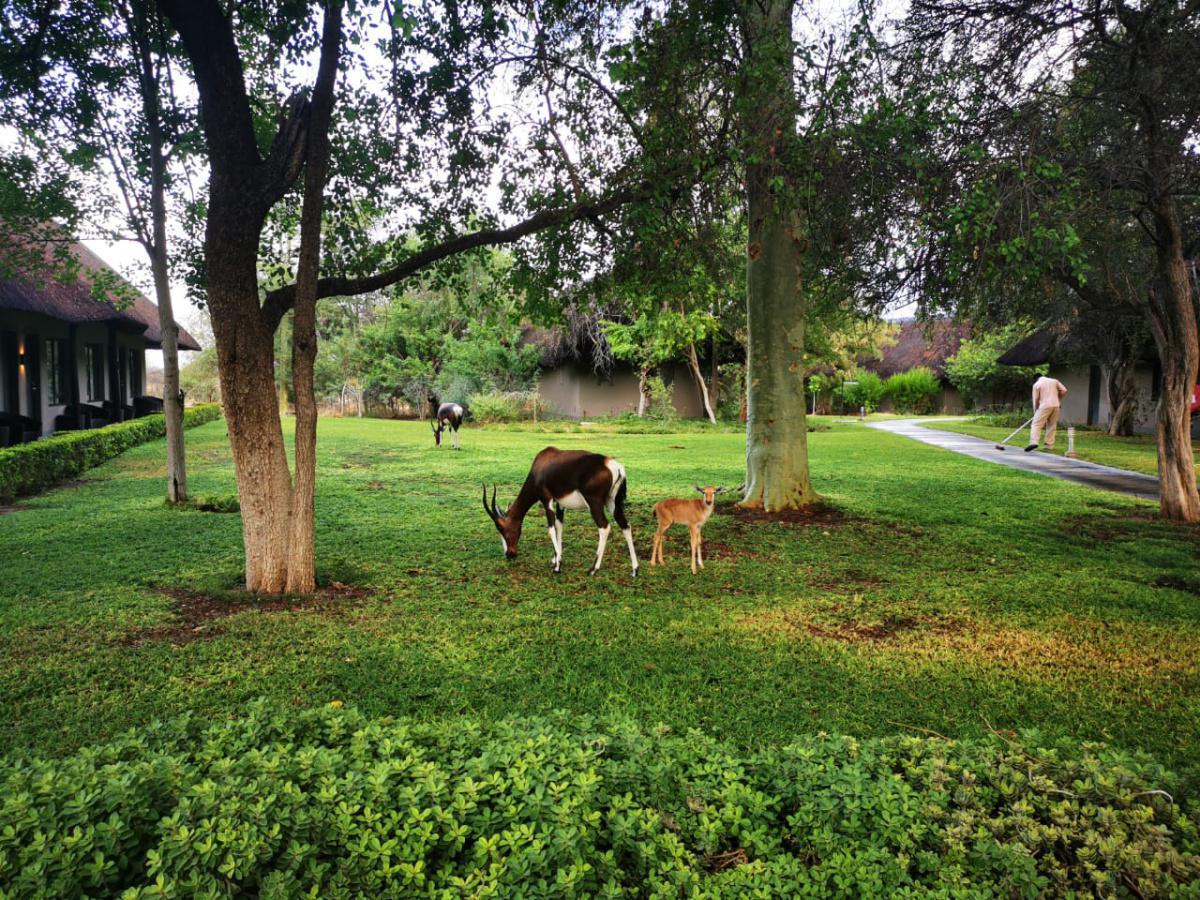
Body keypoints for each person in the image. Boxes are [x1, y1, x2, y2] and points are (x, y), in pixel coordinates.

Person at [1026, 374, 1067, 451]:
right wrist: (1058, 399)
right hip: (1056, 405)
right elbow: (1064, 390)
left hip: (1044, 406)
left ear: (1035, 379)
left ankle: (1034, 442)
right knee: (1051, 426)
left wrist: (1035, 411)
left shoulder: (1037, 384)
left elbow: (1036, 399)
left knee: (1036, 425)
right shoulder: (1054, 381)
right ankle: (1049, 446)